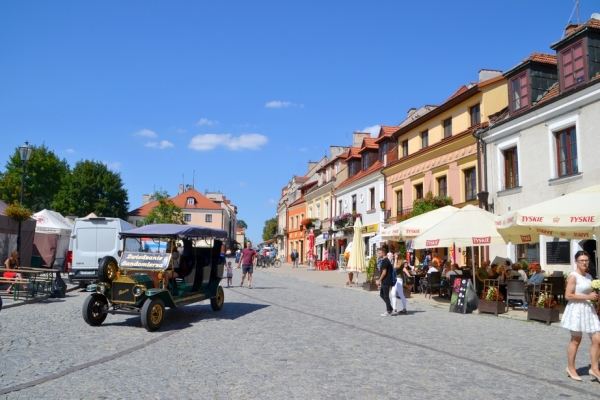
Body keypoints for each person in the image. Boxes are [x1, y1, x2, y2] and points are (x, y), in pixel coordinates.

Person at [559, 251, 600, 382]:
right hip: (576, 309)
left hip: (588, 309)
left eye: (586, 260)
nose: (584, 262)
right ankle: (571, 368)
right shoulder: (573, 276)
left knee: (597, 339)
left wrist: (594, 297)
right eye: (581, 260)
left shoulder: (589, 276)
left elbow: (590, 292)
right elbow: (568, 295)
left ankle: (594, 368)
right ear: (576, 261)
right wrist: (587, 297)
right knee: (576, 340)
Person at [376, 248, 394, 316]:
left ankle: (388, 311)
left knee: (386, 296)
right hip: (385, 280)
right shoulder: (385, 260)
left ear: (384, 253)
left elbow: (384, 272)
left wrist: (379, 280)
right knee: (382, 294)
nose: (378, 254)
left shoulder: (385, 261)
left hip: (386, 280)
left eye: (380, 253)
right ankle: (390, 308)